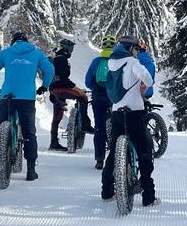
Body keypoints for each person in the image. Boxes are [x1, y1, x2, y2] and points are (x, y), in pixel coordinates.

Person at [0, 31, 54, 181]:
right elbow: (49, 70)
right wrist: (44, 86)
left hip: (7, 97)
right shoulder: (36, 53)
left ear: (13, 42)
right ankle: (31, 171)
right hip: (27, 98)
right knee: (29, 133)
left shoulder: (6, 53)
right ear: (26, 41)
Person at [101, 35, 158, 207]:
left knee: (113, 152)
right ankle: (148, 196)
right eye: (136, 49)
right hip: (134, 111)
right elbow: (148, 78)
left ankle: (107, 191)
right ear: (130, 48)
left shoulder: (111, 62)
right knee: (143, 150)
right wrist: (143, 85)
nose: (137, 52)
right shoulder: (133, 62)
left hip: (117, 111)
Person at [49, 38, 95, 151]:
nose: (72, 51)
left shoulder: (56, 58)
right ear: (67, 48)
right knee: (83, 97)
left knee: (57, 115)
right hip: (61, 88)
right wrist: (77, 88)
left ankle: (53, 142)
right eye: (71, 49)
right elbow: (64, 79)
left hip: (54, 89)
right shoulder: (62, 59)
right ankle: (84, 124)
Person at [84, 34, 116, 169]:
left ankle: (99, 159)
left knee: (99, 127)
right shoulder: (117, 61)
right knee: (117, 126)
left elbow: (88, 82)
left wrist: (96, 90)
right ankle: (117, 156)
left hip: (98, 97)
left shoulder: (96, 61)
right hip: (114, 97)